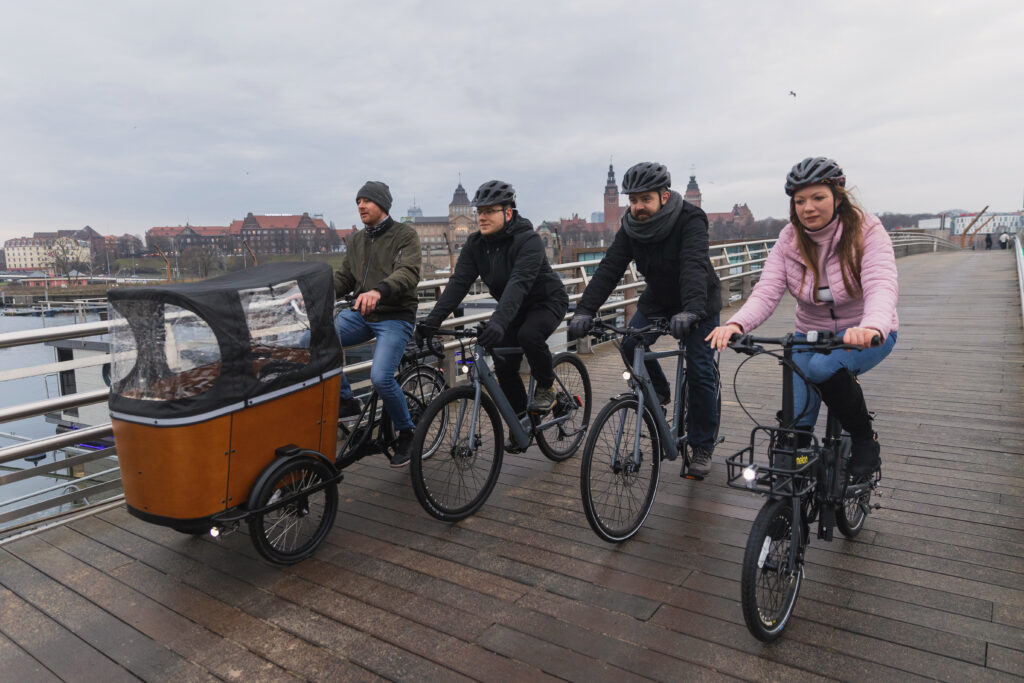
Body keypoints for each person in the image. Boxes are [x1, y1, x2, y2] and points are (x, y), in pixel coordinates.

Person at [706, 157, 898, 481]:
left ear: (838, 196)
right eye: (799, 201)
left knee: (822, 369)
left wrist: (871, 326)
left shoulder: (866, 230)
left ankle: (865, 440)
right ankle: (793, 477)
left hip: (867, 333)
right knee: (794, 426)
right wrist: (736, 324)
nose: (808, 208)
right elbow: (767, 290)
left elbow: (881, 283)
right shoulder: (789, 239)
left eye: (818, 197)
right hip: (810, 334)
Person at [567, 162, 722, 478]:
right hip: (658, 299)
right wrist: (585, 310)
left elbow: (693, 264)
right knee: (629, 343)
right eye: (633, 200)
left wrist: (692, 309)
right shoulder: (631, 227)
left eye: (645, 199)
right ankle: (660, 392)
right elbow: (610, 268)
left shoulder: (690, 218)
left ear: (664, 196)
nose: (638, 206)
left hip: (698, 302)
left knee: (700, 370)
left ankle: (702, 445)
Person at [417, 180, 569, 435]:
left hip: (546, 301)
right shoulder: (476, 245)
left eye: (489, 211)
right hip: (513, 309)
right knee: (503, 363)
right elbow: (458, 284)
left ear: (508, 213)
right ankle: (522, 423)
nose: (481, 217)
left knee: (529, 335)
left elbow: (518, 283)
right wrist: (432, 321)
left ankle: (546, 386)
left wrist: (498, 322)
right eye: (479, 211)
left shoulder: (528, 240)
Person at [333, 180, 422, 468]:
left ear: (382, 204)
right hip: (362, 314)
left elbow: (408, 272)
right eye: (358, 201)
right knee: (317, 339)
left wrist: (379, 291)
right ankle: (347, 402)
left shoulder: (405, 235)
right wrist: (312, 292)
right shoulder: (357, 240)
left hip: (395, 315)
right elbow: (345, 278)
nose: (361, 205)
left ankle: (407, 431)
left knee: (381, 377)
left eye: (367, 200)